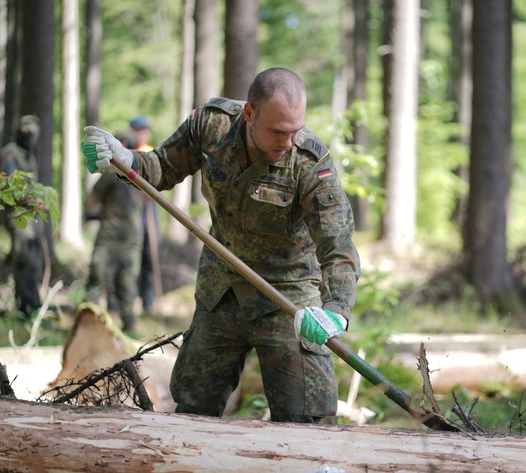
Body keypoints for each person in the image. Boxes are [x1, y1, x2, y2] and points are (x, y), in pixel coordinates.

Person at [81, 67, 361, 423]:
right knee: (192, 411)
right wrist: (124, 158)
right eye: (277, 131)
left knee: (307, 421)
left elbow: (338, 246)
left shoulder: (308, 163)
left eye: (295, 131)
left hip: (288, 300)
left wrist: (335, 310)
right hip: (222, 291)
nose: (287, 142)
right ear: (249, 113)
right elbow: (163, 166)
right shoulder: (211, 126)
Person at [84, 131, 145, 333]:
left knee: (109, 280)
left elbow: (92, 200)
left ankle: (95, 325)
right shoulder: (139, 172)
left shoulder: (115, 172)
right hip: (127, 237)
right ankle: (121, 326)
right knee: (117, 281)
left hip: (116, 237)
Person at [0, 115, 43, 318]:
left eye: (32, 134)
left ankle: (27, 307)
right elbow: (9, 185)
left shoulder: (28, 156)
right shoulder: (11, 153)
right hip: (17, 214)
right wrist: (31, 200)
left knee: (31, 261)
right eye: (26, 133)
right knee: (25, 260)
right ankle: (28, 308)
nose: (30, 137)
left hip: (30, 215)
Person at [129, 115, 160, 314]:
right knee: (132, 253)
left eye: (144, 131)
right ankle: (128, 301)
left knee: (150, 252)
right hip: (131, 208)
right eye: (138, 130)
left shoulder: (151, 152)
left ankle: (148, 301)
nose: (142, 134)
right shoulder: (127, 152)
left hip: (149, 207)